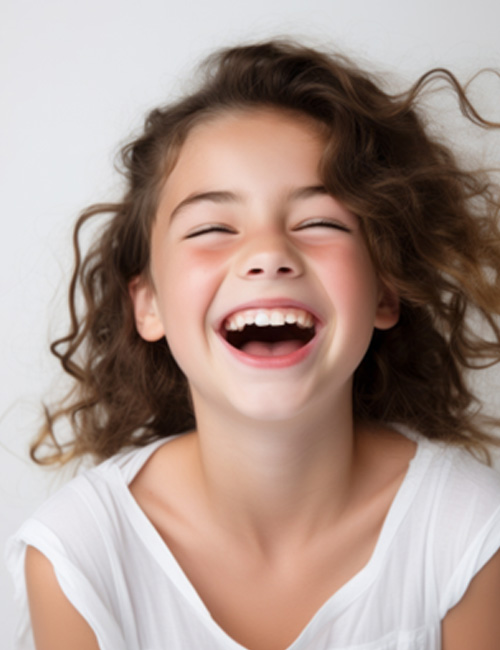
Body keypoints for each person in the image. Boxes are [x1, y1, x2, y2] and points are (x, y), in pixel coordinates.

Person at [5, 39, 500, 650]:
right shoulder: (79, 559)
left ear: (385, 293)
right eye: (213, 228)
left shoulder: (472, 536)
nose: (268, 254)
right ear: (149, 304)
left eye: (319, 222)